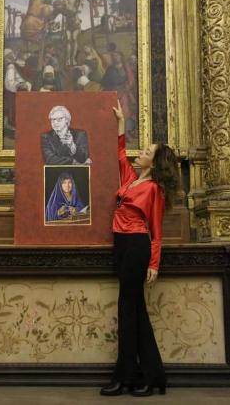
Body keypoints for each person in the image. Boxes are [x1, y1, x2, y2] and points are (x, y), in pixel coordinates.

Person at [100, 100, 179, 398]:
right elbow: (121, 154)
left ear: (155, 162)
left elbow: (156, 231)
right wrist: (121, 122)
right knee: (135, 312)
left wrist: (154, 264)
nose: (141, 153)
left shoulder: (154, 190)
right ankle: (152, 375)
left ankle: (124, 377)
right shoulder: (132, 181)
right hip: (121, 245)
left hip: (137, 246)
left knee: (127, 310)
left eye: (147, 151)